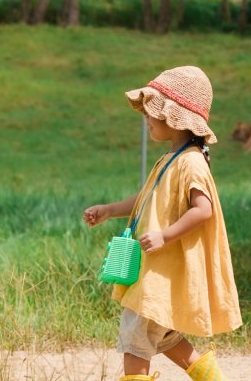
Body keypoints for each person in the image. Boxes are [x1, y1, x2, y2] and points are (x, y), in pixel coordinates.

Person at [83, 64, 241, 381]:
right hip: (157, 272)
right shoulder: (171, 158)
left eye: (151, 112)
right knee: (165, 337)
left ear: (175, 116)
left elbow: (203, 209)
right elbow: (147, 198)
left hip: (161, 270)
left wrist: (164, 236)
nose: (146, 119)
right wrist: (109, 209)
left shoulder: (192, 162)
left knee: (135, 341)